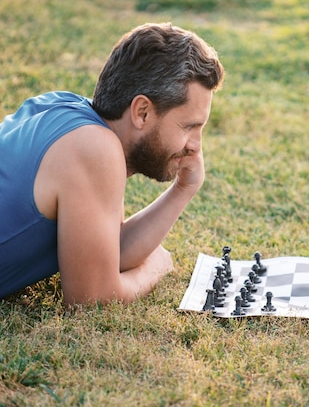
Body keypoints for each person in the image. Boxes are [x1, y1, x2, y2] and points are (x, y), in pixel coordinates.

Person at [0, 23, 225, 305]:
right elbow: (91, 298)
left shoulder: (69, 112)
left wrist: (183, 190)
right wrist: (155, 268)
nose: (195, 145)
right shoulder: (93, 148)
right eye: (189, 126)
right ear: (141, 112)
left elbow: (110, 250)